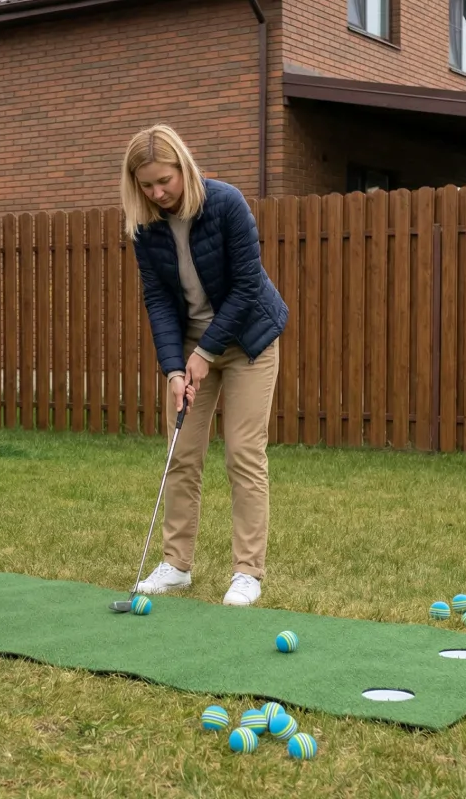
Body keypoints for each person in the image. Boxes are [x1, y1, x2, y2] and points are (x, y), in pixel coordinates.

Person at [120, 124, 288, 606]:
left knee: (243, 453)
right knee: (182, 452)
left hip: (249, 342)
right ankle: (176, 566)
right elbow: (158, 300)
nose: (157, 193)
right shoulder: (145, 225)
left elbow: (247, 286)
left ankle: (247, 572)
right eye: (147, 185)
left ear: (184, 168)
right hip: (192, 346)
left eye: (164, 181)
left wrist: (204, 354)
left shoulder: (226, 203)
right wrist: (175, 369)